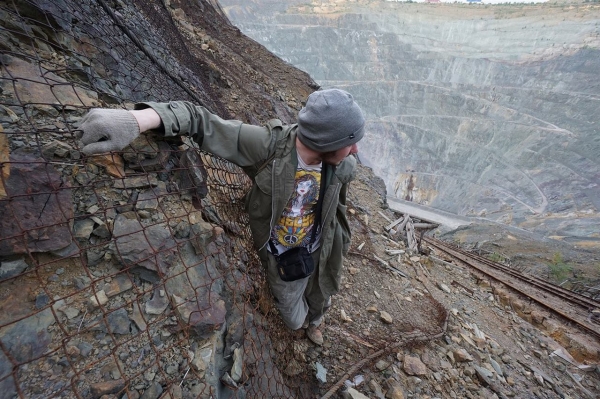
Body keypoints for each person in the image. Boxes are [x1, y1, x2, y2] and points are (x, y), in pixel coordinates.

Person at [79, 88, 365, 345]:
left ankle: (316, 319)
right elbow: (201, 121)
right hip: (282, 255)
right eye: (350, 142)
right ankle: (303, 323)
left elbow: (335, 203)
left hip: (324, 245)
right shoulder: (269, 146)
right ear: (327, 141)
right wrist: (137, 120)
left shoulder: (343, 164)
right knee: (293, 316)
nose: (355, 151)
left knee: (323, 289)